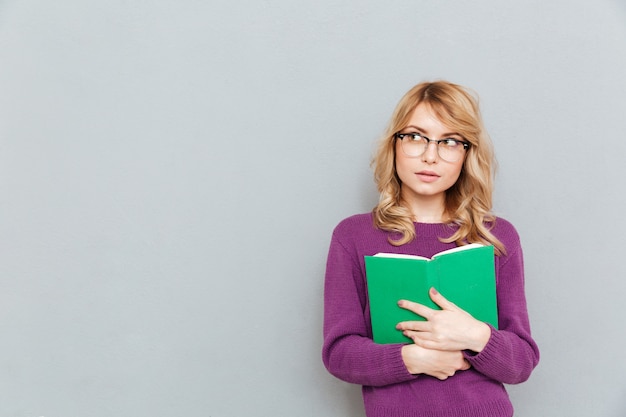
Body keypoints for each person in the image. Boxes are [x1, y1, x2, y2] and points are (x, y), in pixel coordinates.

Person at [322, 80, 540, 417]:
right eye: (414, 136)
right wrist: (412, 358)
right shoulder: (352, 236)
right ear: (394, 144)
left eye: (450, 141)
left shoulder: (497, 237)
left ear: (467, 153)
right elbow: (339, 353)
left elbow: (521, 363)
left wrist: (475, 335)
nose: (430, 155)